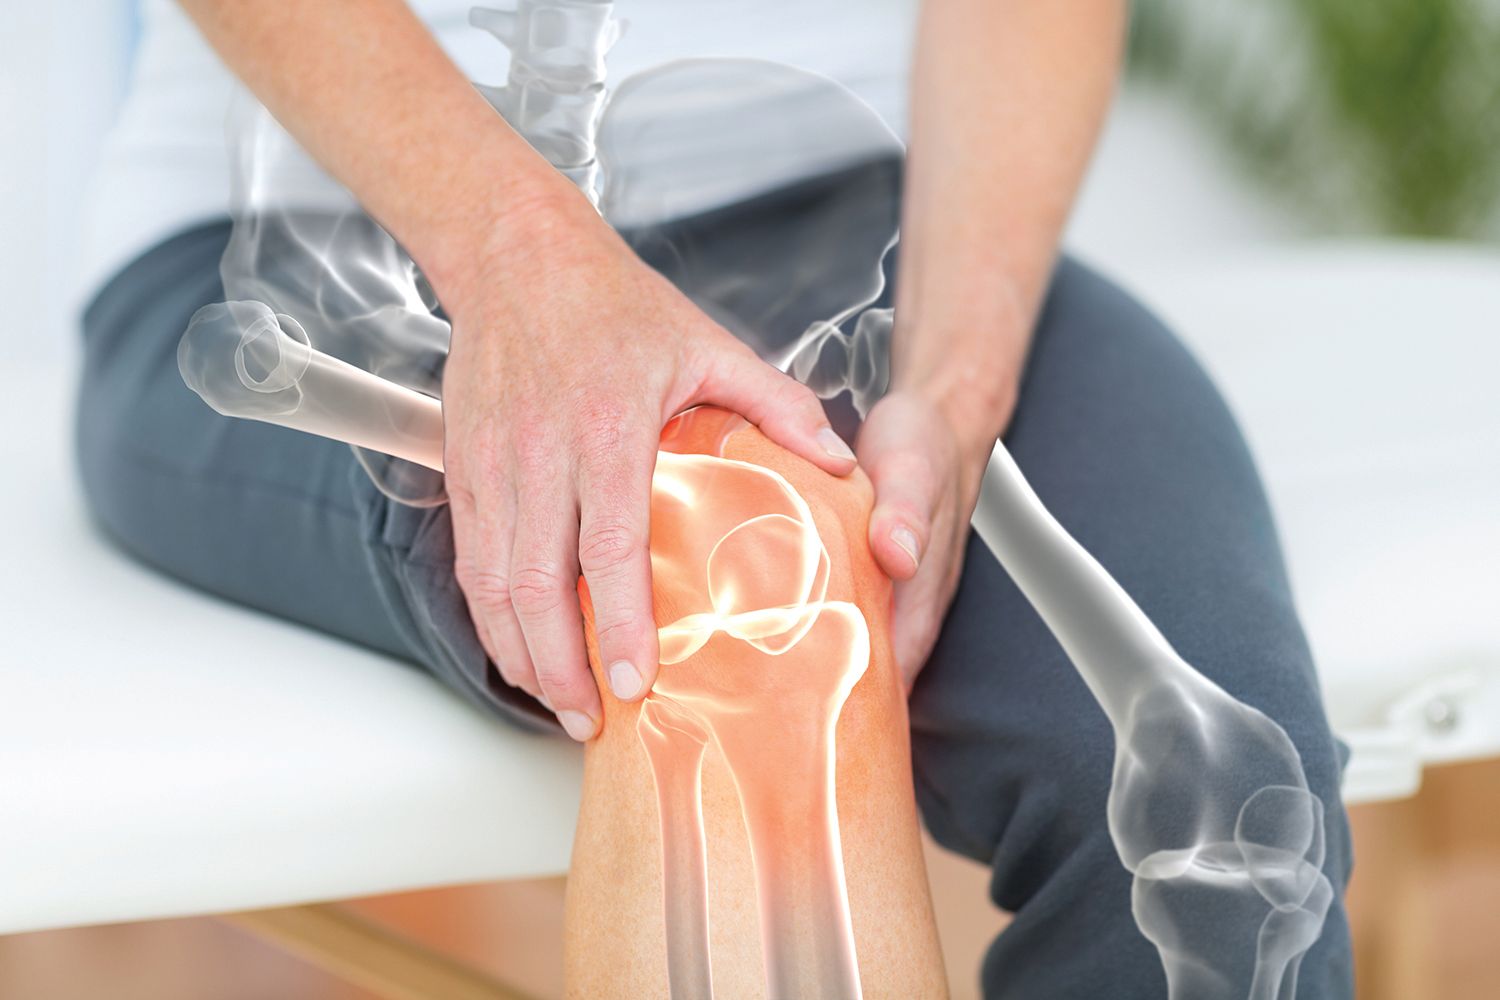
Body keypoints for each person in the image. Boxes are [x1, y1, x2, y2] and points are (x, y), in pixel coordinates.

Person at [74, 0, 1354, 996]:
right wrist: (519, 253)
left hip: (891, 218)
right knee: (743, 617)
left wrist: (956, 385)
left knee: (1212, 811)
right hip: (329, 238)